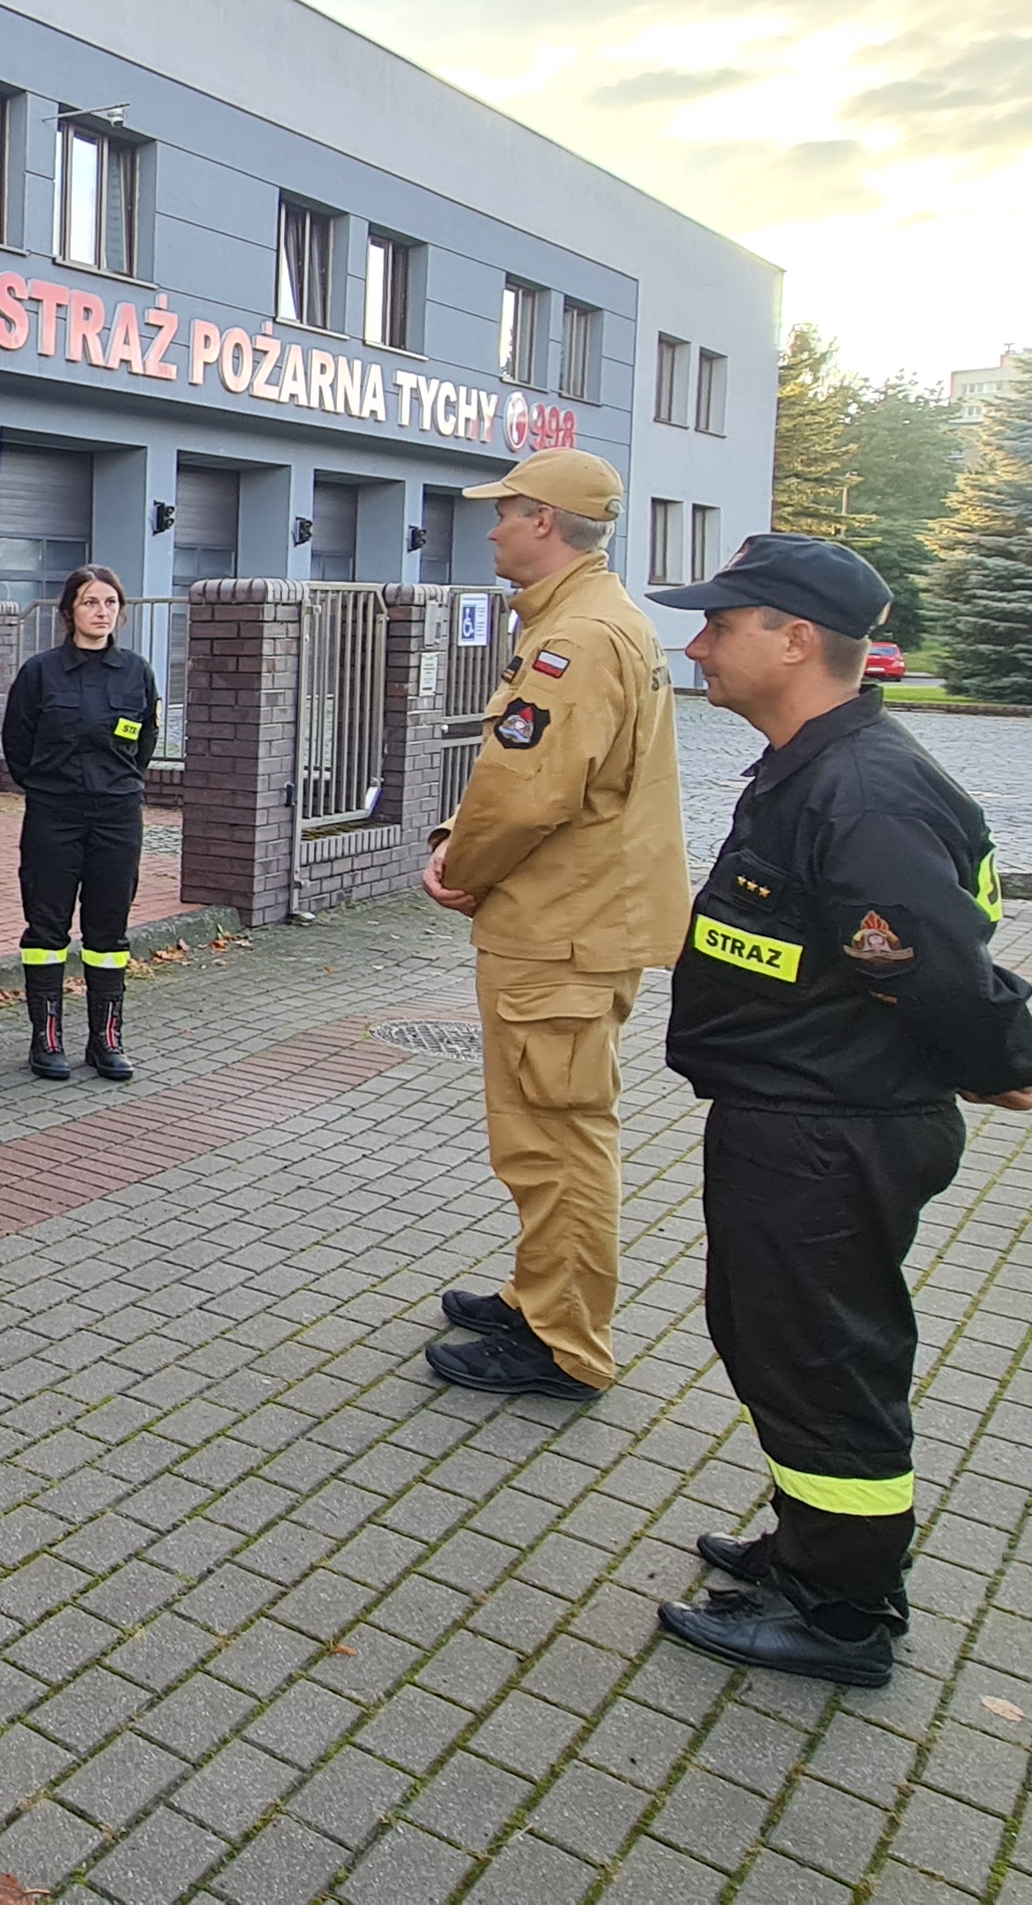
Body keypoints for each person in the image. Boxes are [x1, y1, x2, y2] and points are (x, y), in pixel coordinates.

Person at [646, 536, 1032, 1687]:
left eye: (722, 624)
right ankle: (811, 1546)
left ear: (795, 640)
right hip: (797, 1113)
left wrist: (1002, 1058)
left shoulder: (861, 786)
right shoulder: (812, 764)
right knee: (779, 1342)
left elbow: (922, 957)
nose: (698, 645)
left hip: (831, 1127)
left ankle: (841, 1612)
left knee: (823, 1362)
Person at [414, 448, 688, 1403]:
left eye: (505, 511)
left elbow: (530, 792)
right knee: (543, 1132)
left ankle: (565, 1344)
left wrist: (459, 868)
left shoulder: (580, 637)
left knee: (555, 1143)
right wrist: (461, 840)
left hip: (562, 932)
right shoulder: (589, 620)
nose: (492, 528)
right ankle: (537, 1297)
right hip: (573, 923)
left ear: (543, 520)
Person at [0, 566, 162, 1081]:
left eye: (110, 603)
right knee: (47, 927)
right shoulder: (40, 672)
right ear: (69, 611)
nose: (101, 612)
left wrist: (114, 784)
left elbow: (145, 742)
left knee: (108, 930)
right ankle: (46, 1038)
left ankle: (105, 1040)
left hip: (117, 815)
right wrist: (52, 787)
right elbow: (17, 744)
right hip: (55, 814)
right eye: (90, 602)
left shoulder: (136, 672)